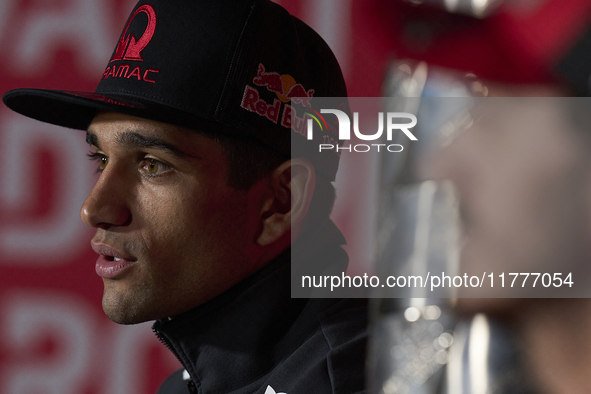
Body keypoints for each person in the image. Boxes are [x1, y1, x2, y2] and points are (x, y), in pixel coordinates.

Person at [2, 0, 367, 393]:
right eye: (102, 158)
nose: (94, 209)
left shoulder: (359, 380)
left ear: (279, 203)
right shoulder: (186, 385)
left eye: (153, 165)